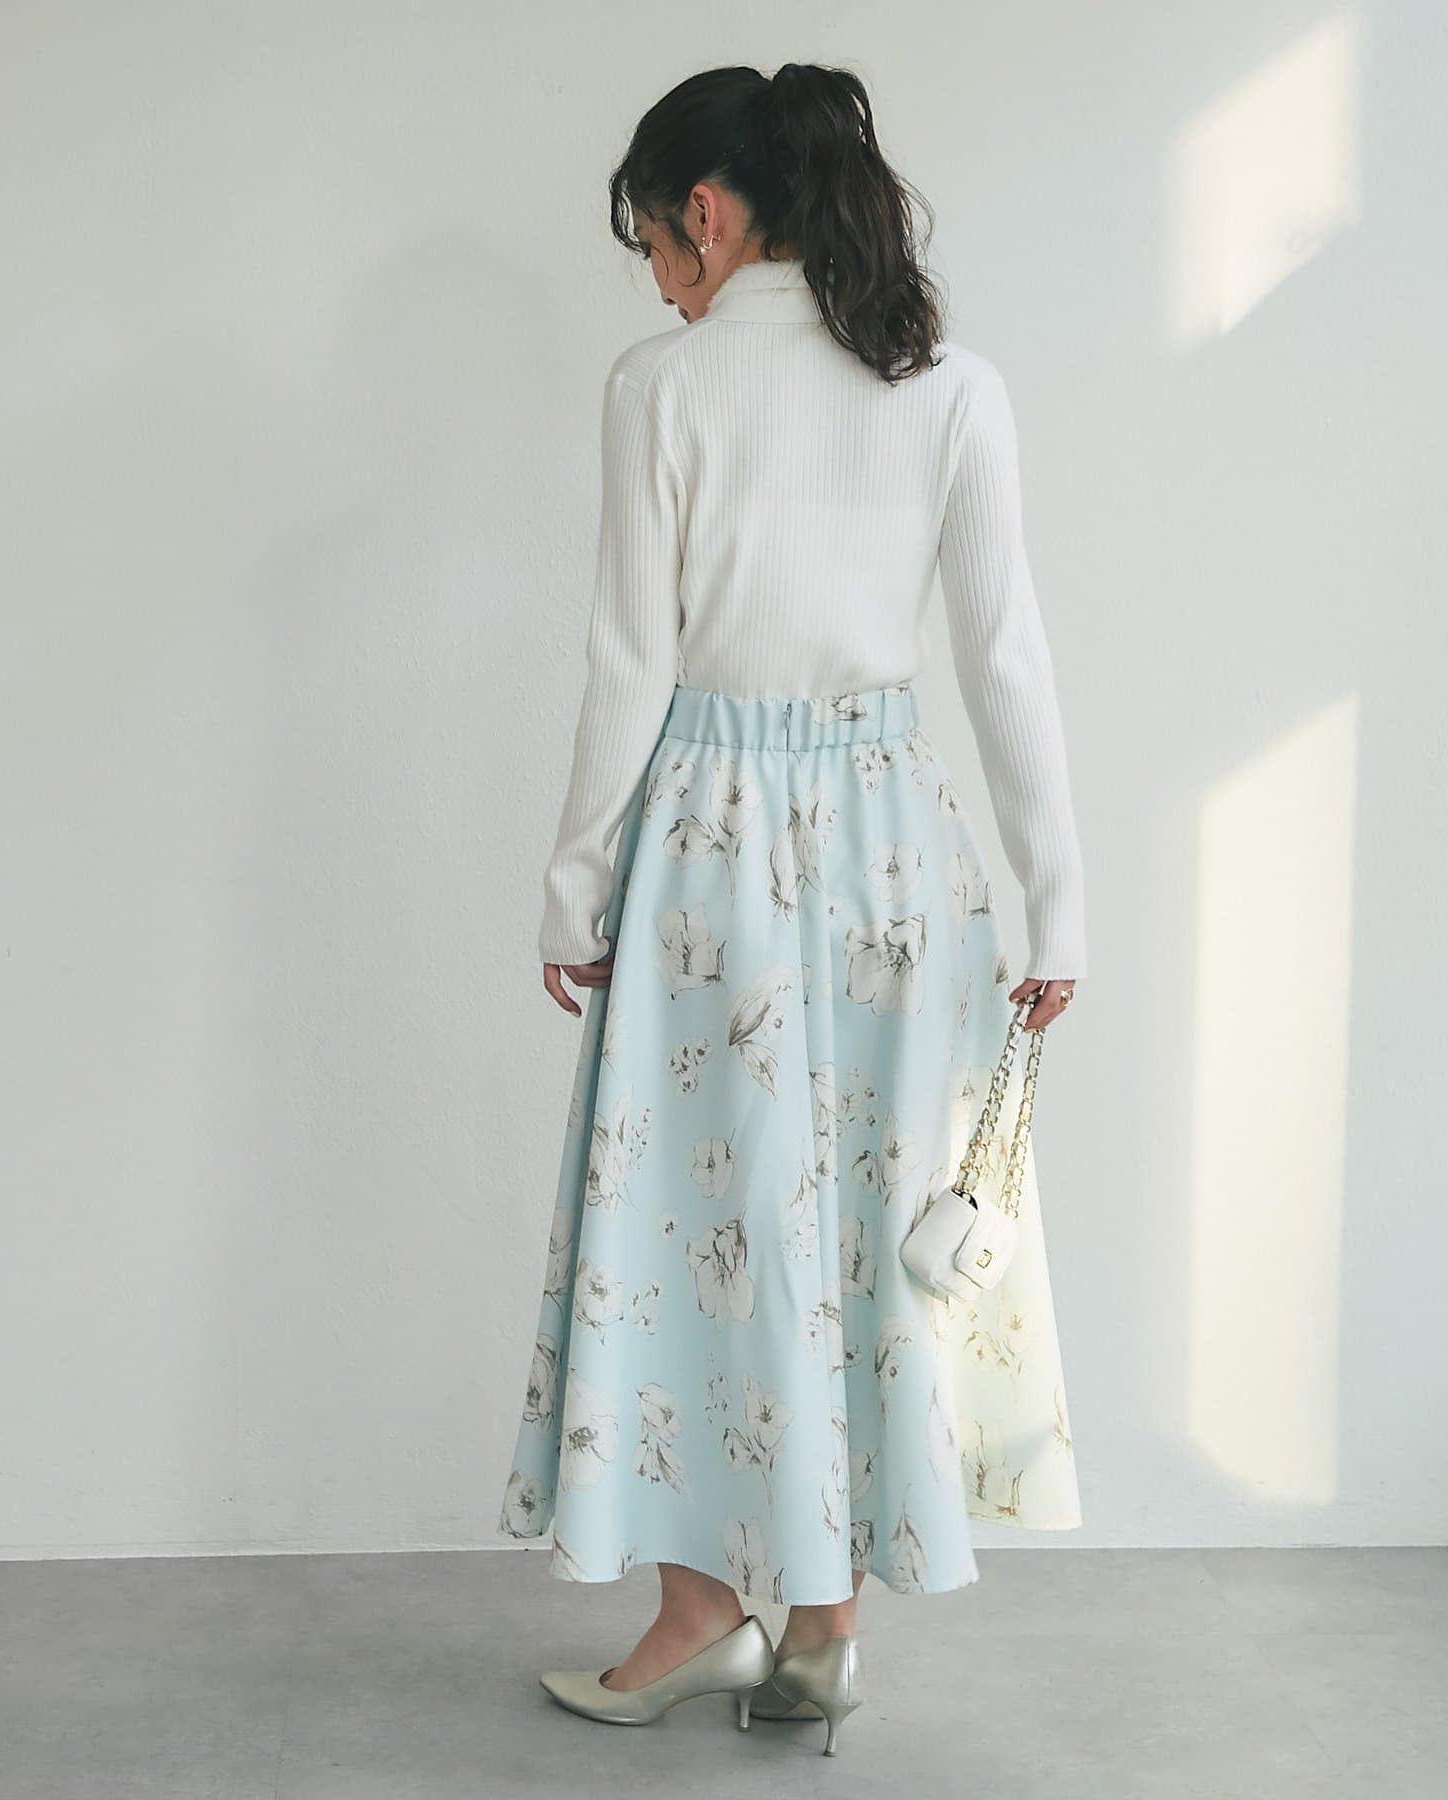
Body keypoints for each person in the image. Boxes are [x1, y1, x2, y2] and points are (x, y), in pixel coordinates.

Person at [497, 60, 1086, 1756]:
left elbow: (629, 661)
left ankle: (699, 1614)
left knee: (695, 1230)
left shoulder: (663, 388)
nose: (659, 286)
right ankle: (822, 1635)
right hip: (899, 850)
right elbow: (1004, 651)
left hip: (711, 846)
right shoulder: (950, 385)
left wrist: (573, 883)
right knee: (866, 1233)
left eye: (653, 246)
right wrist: (1059, 902)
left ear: (704, 212)